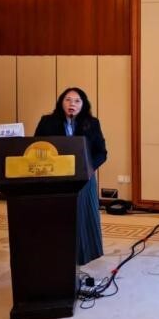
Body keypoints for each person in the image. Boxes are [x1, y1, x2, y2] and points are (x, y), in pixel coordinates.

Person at [35, 87, 107, 265]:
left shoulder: (92, 123)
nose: (72, 104)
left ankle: (84, 254)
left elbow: (101, 152)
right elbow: (37, 147)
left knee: (83, 217)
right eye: (67, 99)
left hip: (84, 176)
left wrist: (90, 169)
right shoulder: (47, 122)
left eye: (77, 101)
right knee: (57, 217)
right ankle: (56, 254)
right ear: (61, 102)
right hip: (55, 177)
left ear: (83, 105)